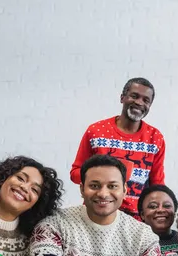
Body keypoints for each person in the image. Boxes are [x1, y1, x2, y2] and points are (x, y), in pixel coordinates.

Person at [29, 155, 178, 256]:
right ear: (81, 189)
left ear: (124, 190)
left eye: (112, 186)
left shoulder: (143, 234)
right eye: (94, 186)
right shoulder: (55, 223)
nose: (103, 193)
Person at [70, 77, 165, 219]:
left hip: (136, 219)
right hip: (97, 213)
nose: (139, 102)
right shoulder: (96, 132)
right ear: (122, 98)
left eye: (146, 100)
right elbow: (75, 173)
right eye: (134, 96)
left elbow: (157, 185)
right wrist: (101, 176)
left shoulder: (155, 138)